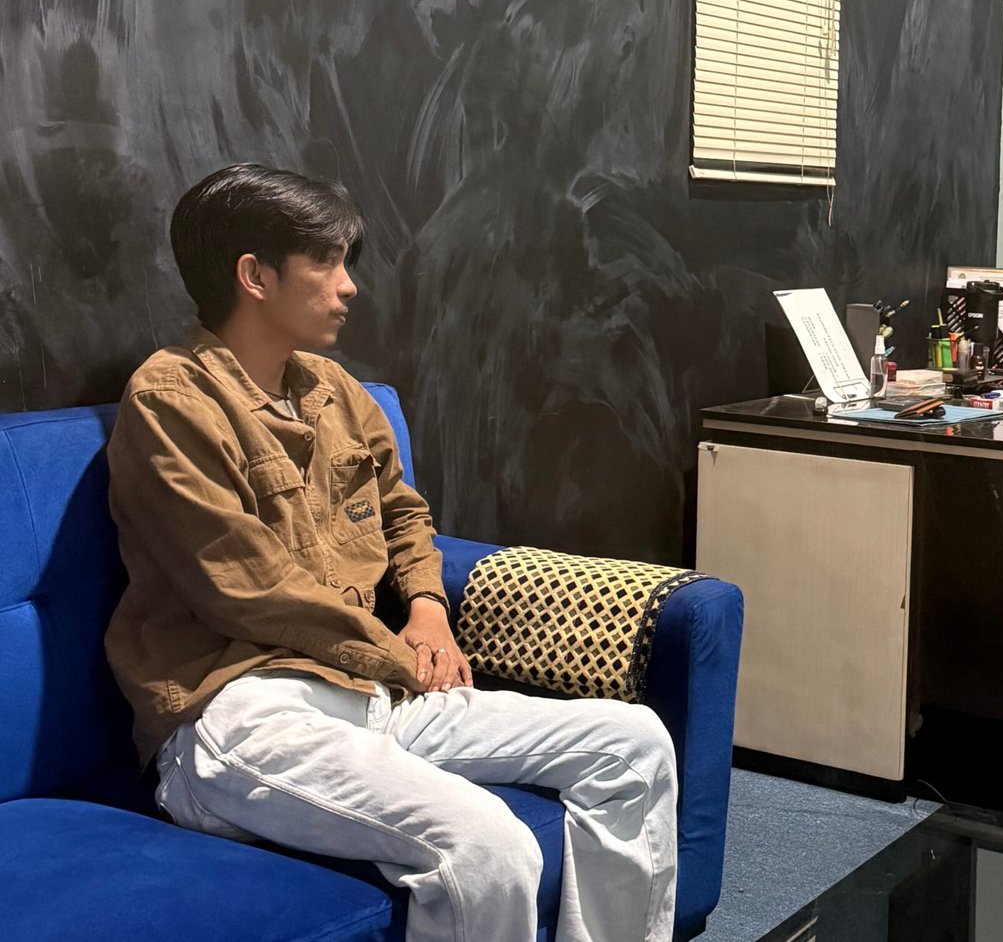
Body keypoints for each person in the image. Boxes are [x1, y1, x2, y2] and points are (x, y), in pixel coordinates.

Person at [104, 163, 677, 942]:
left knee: (634, 746)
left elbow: (404, 514)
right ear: (255, 276)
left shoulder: (336, 390)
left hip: (368, 694)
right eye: (327, 262)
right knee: (487, 847)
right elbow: (246, 587)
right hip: (240, 710)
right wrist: (396, 655)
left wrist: (430, 612)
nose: (350, 286)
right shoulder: (171, 398)